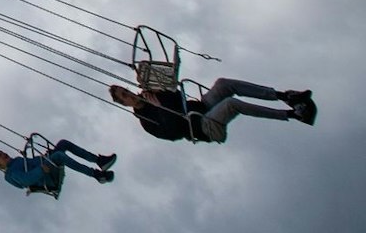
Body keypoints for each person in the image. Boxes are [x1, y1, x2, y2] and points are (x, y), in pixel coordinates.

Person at [111, 80, 315, 143]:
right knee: (230, 104)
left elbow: (177, 95)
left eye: (126, 90)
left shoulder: (150, 94)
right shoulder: (147, 122)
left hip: (201, 108)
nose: (129, 94)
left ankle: (285, 96)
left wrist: (162, 89)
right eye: (124, 96)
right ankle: (293, 115)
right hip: (203, 127)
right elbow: (174, 134)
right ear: (125, 104)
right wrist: (159, 108)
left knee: (223, 84)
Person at [0, 140, 116, 194]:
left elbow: (34, 162)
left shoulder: (18, 160)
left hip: (46, 167)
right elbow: (25, 180)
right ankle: (96, 174)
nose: (3, 153)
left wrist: (45, 157)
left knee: (63, 144)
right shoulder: (11, 173)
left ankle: (99, 160)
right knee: (59, 155)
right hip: (46, 178)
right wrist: (41, 169)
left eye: (1, 151)